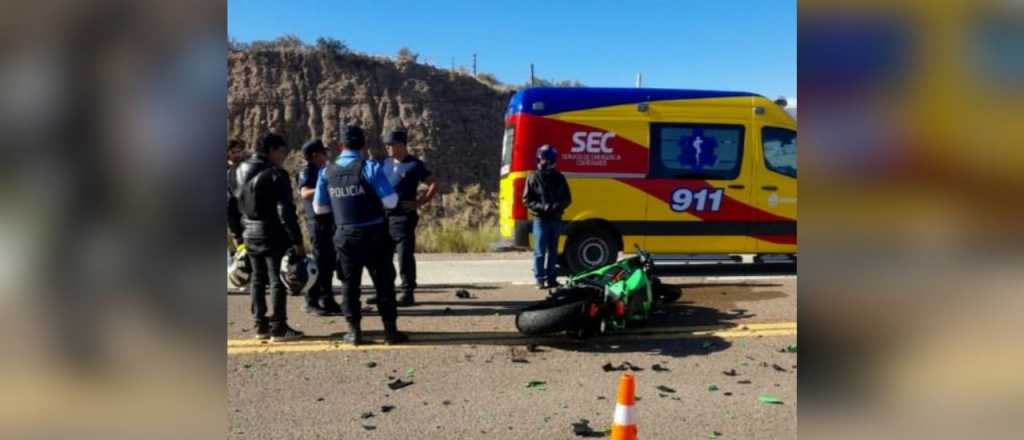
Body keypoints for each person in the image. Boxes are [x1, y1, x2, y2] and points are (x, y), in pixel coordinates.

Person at [313, 126, 408, 345]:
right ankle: (390, 332)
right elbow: (391, 202)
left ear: (340, 146)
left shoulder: (326, 172)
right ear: (364, 146)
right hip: (374, 234)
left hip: (346, 235)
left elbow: (319, 208)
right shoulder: (370, 167)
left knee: (349, 285)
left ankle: (354, 332)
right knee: (384, 283)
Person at [227, 133, 307, 341]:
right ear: (272, 149)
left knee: (257, 279)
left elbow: (229, 207)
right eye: (282, 152)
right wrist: (297, 242)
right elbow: (286, 212)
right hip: (271, 232)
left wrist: (237, 235)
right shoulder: (275, 174)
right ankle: (279, 327)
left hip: (248, 232)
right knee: (276, 279)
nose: (283, 156)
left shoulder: (235, 170)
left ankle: (260, 326)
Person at [381, 129, 438, 306]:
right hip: (385, 216)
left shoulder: (414, 164)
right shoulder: (386, 163)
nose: (388, 148)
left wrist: (419, 202)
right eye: (387, 145)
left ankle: (407, 291)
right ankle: (385, 291)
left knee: (404, 255)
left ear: (401, 145)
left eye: (391, 145)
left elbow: (433, 184)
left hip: (403, 217)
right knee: (383, 255)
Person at [296, 139, 343, 316]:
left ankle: (327, 298)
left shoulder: (323, 170)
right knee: (320, 262)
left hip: (328, 221)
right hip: (316, 223)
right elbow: (305, 193)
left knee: (329, 262)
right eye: (324, 153)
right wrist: (325, 186)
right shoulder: (307, 170)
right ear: (315, 155)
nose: (326, 155)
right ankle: (311, 300)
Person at [522, 145, 572, 289]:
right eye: (542, 158)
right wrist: (542, 207)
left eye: (545, 159)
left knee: (553, 250)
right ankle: (539, 279)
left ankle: (551, 279)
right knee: (539, 251)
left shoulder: (559, 178)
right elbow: (526, 200)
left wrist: (557, 206)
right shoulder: (533, 177)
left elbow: (567, 198)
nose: (543, 161)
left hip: (555, 219)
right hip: (541, 219)